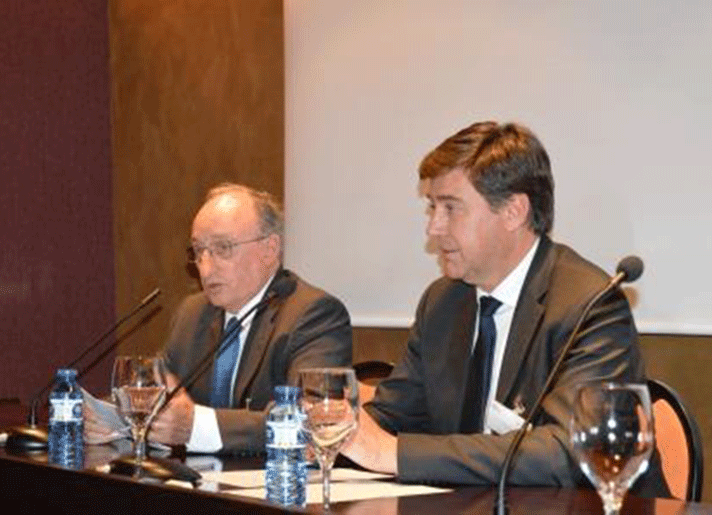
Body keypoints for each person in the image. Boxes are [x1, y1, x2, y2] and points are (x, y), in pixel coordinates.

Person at [342, 121, 667, 495]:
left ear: (514, 211)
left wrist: (396, 454)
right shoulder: (443, 302)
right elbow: (393, 417)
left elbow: (572, 453)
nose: (434, 227)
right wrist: (328, 434)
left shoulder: (589, 304)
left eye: (451, 208)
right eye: (432, 208)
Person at [87, 184, 352, 454]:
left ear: (269, 249)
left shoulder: (314, 315)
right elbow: (157, 392)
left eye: (223, 248)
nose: (205, 267)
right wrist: (108, 418)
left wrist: (196, 427)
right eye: (198, 251)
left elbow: (309, 421)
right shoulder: (192, 313)